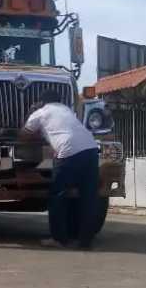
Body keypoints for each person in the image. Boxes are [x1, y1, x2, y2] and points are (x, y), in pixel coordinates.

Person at [21, 90, 101, 249]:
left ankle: (59, 238)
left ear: (42, 102)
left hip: (68, 152)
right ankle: (85, 242)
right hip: (91, 150)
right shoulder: (67, 111)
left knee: (57, 196)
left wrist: (31, 116)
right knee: (89, 198)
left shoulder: (41, 113)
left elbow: (24, 134)